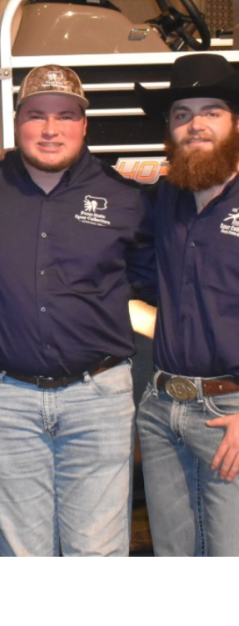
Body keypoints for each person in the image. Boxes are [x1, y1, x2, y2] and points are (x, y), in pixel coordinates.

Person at [0, 64, 154, 556]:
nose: (49, 129)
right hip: (6, 400)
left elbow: (164, 284)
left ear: (84, 125)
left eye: (65, 116)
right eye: (36, 115)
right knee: (25, 559)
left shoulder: (125, 196)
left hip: (98, 399)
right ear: (17, 123)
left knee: (97, 557)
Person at [134, 53, 239, 556]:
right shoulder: (164, 202)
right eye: (181, 114)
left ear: (235, 122)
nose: (195, 124)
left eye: (212, 110)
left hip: (232, 414)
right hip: (160, 410)